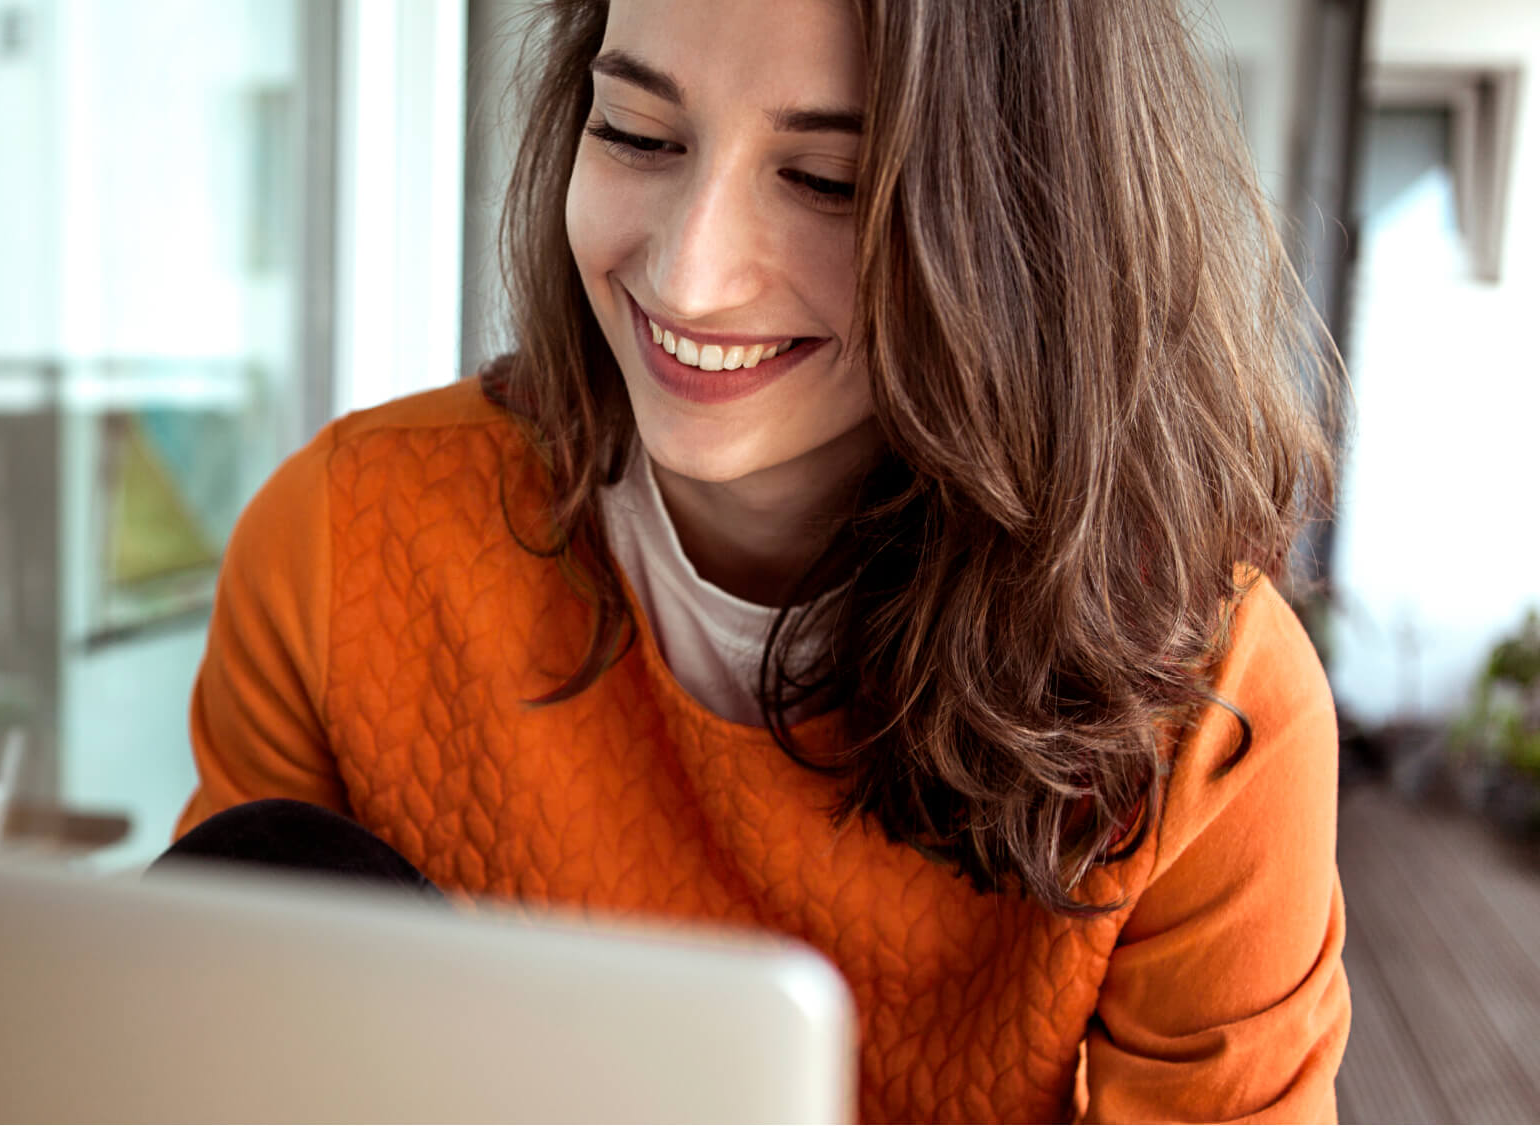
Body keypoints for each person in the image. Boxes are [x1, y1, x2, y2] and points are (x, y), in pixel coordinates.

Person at [170, 0, 1350, 1120]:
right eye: (635, 133)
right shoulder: (339, 546)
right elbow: (192, 1058)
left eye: (826, 180)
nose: (687, 274)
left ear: (1033, 225)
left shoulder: (1205, 711)